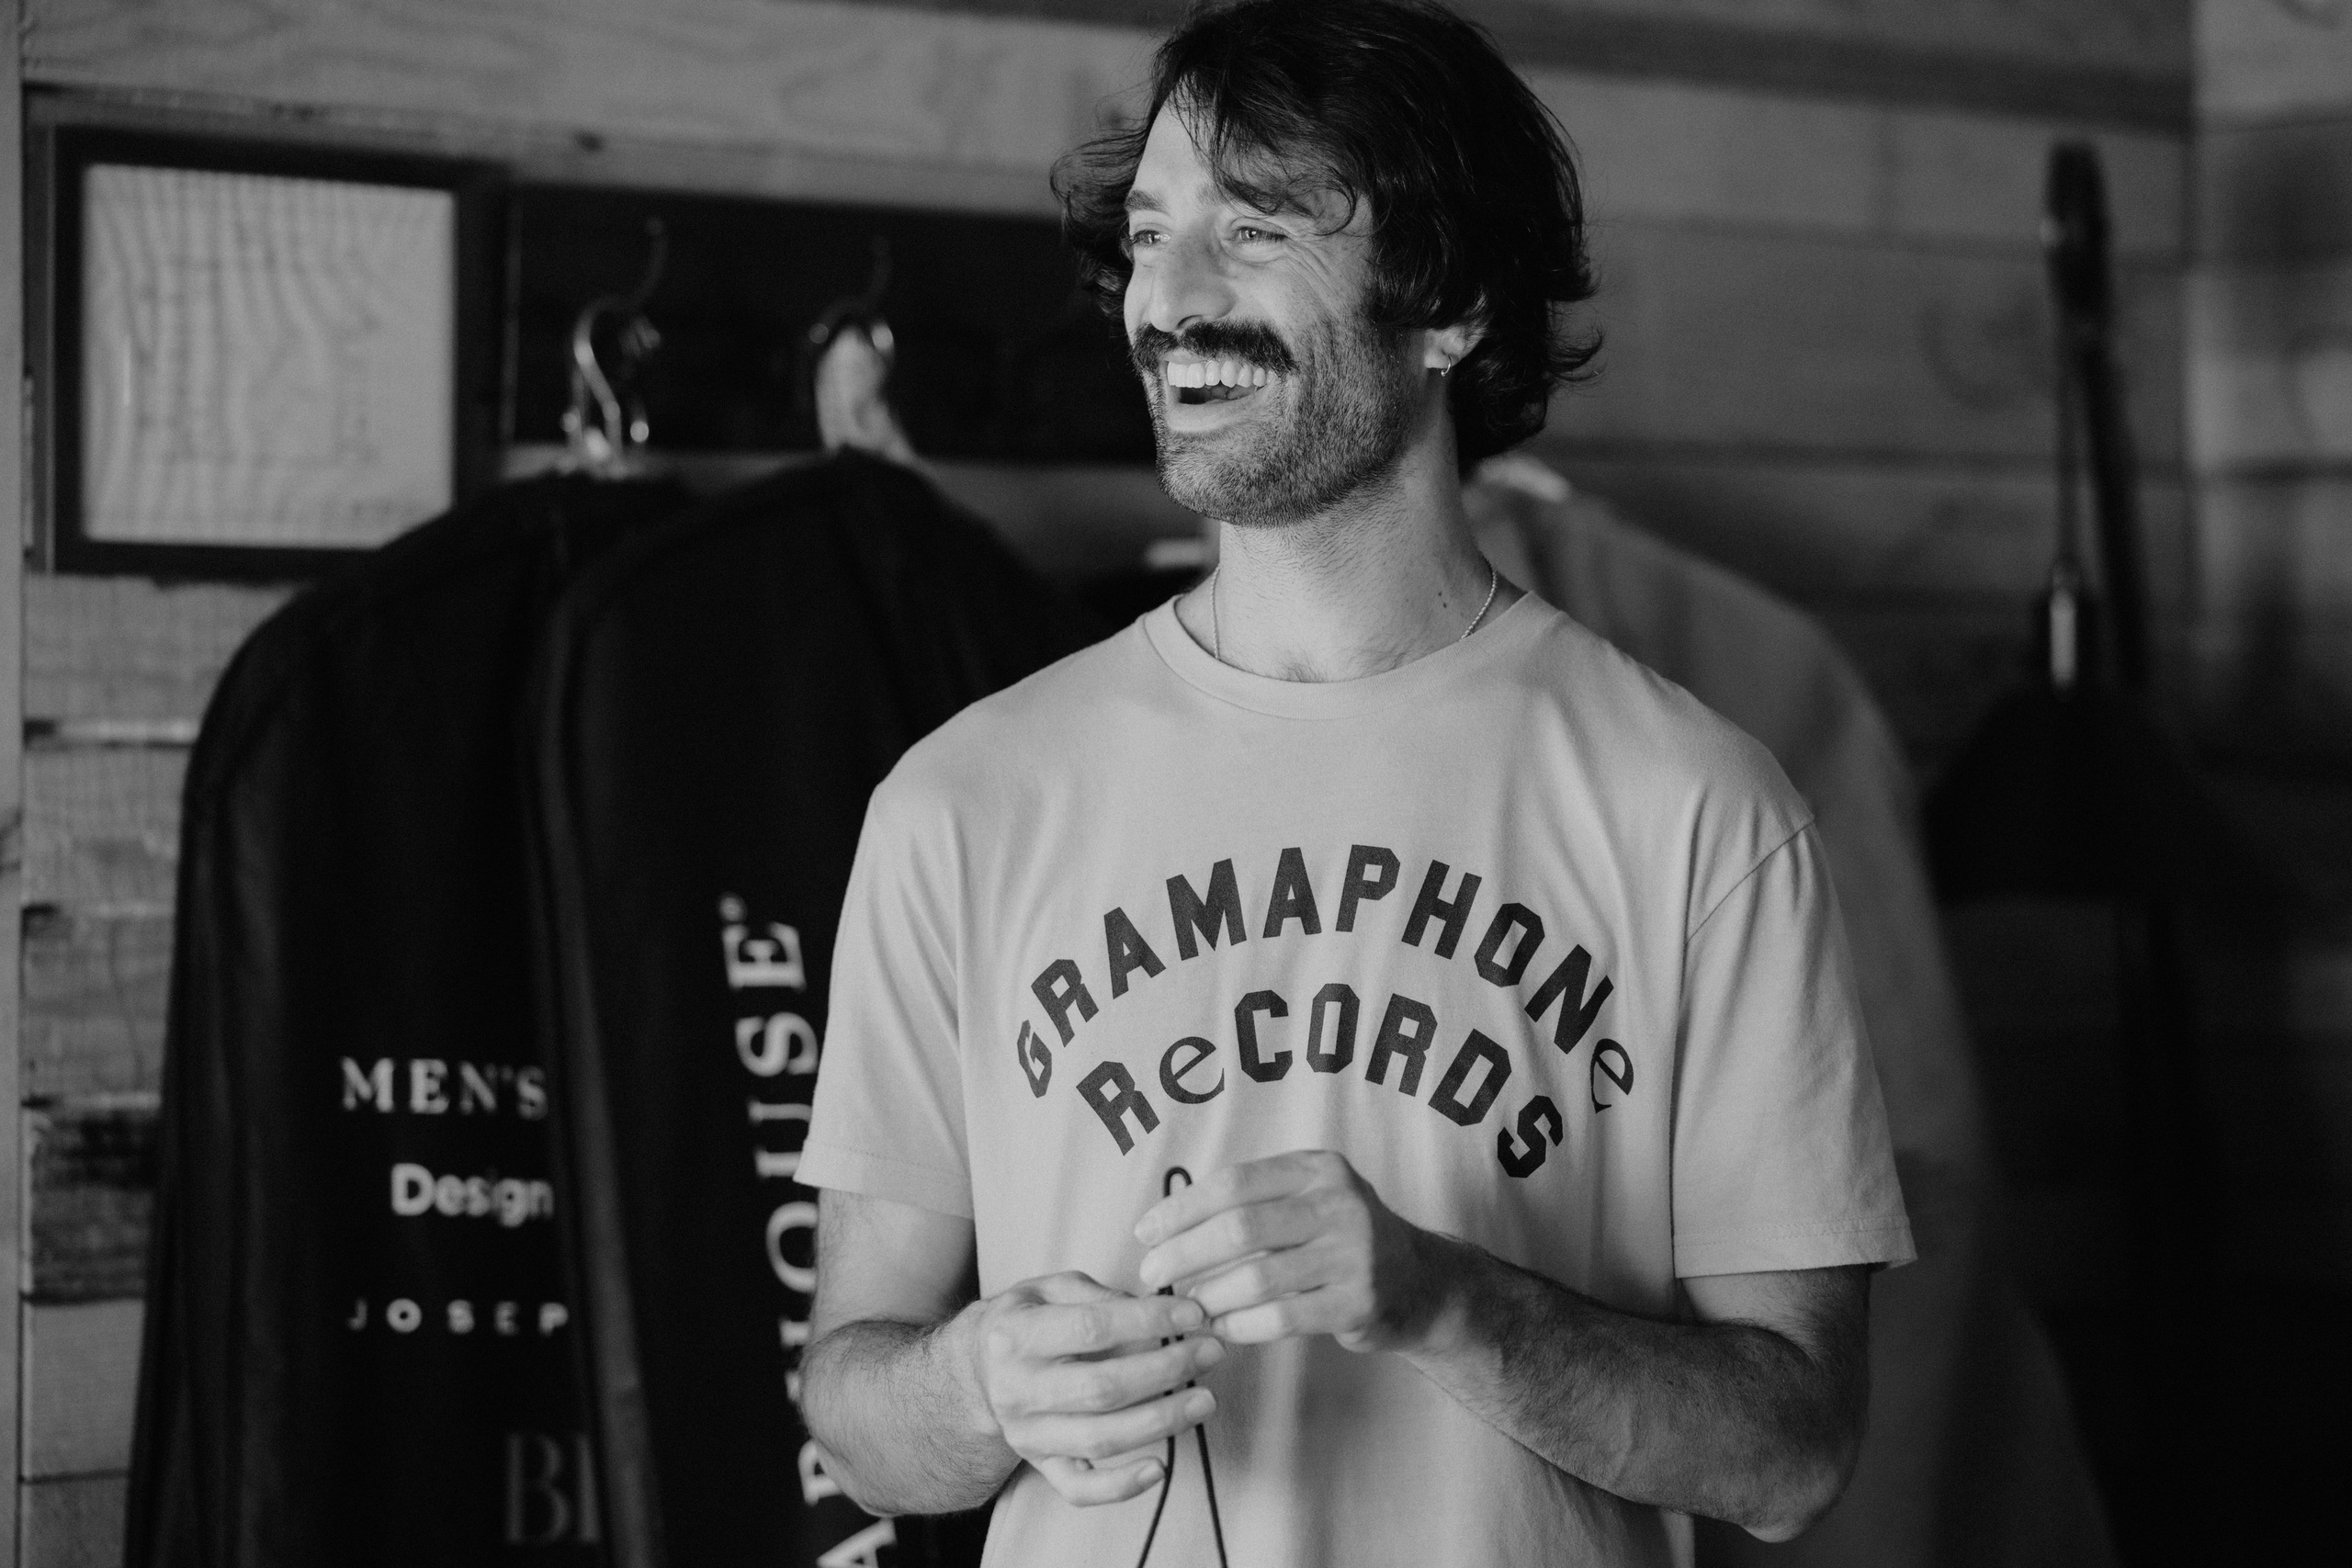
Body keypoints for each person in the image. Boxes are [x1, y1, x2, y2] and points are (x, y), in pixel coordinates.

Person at [796, 3, 1914, 1563]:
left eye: (1251, 233)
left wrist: (1446, 1301)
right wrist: (979, 1387)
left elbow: (1794, 1453)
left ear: (1448, 302)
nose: (1167, 304)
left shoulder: (1696, 810)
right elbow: (854, 1408)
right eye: (1149, 236)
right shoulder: (961, 801)